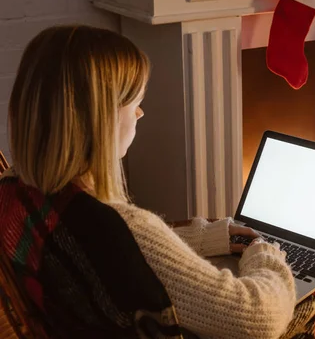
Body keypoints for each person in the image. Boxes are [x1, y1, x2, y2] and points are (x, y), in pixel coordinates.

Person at [0, 25, 296, 339]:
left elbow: (137, 255)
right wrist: (266, 255)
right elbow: (257, 318)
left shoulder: (17, 188)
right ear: (104, 118)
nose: (140, 113)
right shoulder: (118, 229)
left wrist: (201, 239)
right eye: (134, 103)